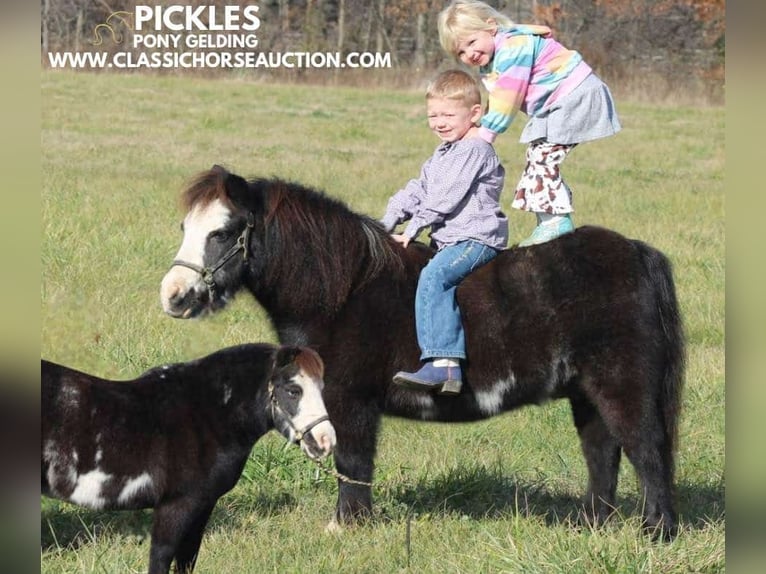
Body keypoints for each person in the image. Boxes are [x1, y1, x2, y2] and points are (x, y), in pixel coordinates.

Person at [438, 0, 621, 246]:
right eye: (461, 52)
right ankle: (550, 221)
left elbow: (508, 97)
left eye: (471, 43)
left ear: (491, 27)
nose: (469, 54)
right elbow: (498, 96)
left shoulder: (514, 49)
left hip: (574, 97)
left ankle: (556, 223)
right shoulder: (495, 57)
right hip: (558, 104)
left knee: (542, 157)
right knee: (537, 156)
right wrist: (479, 123)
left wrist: (485, 134)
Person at [380, 69, 508, 395]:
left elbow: (445, 197)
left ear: (475, 113)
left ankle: (443, 363)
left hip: (475, 238)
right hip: (450, 239)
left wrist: (413, 228)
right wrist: (387, 223)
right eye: (432, 115)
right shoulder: (442, 154)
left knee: (435, 277)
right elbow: (418, 189)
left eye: (448, 114)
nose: (439, 122)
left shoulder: (475, 151)